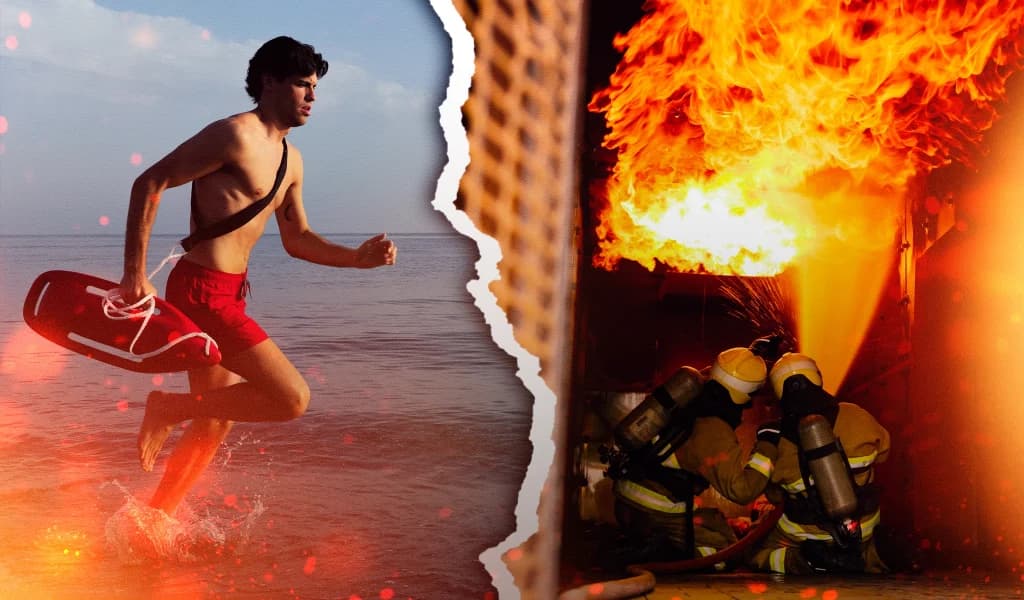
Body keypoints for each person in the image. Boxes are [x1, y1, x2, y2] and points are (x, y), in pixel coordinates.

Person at [118, 36, 397, 516]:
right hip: (202, 291)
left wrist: (356, 259)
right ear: (268, 82)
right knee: (290, 398)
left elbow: (298, 238)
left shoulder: (291, 159)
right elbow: (151, 182)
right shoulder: (233, 135)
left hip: (230, 292)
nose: (312, 97)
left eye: (314, 88)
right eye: (301, 85)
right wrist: (133, 276)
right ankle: (167, 409)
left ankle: (156, 519)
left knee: (216, 420)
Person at [609, 346, 782, 565]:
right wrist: (768, 443)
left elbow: (732, 372)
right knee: (727, 554)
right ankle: (661, 553)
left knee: (718, 523)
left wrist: (752, 353)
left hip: (630, 501)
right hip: (655, 512)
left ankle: (643, 543)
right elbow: (741, 491)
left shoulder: (698, 387)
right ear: (746, 397)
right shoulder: (713, 429)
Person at [749, 352, 890, 574]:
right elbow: (884, 454)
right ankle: (866, 559)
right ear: (817, 377)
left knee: (755, 551)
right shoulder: (858, 416)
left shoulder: (778, 440)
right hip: (864, 526)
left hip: (808, 533)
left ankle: (806, 561)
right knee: (869, 543)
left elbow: (774, 495)